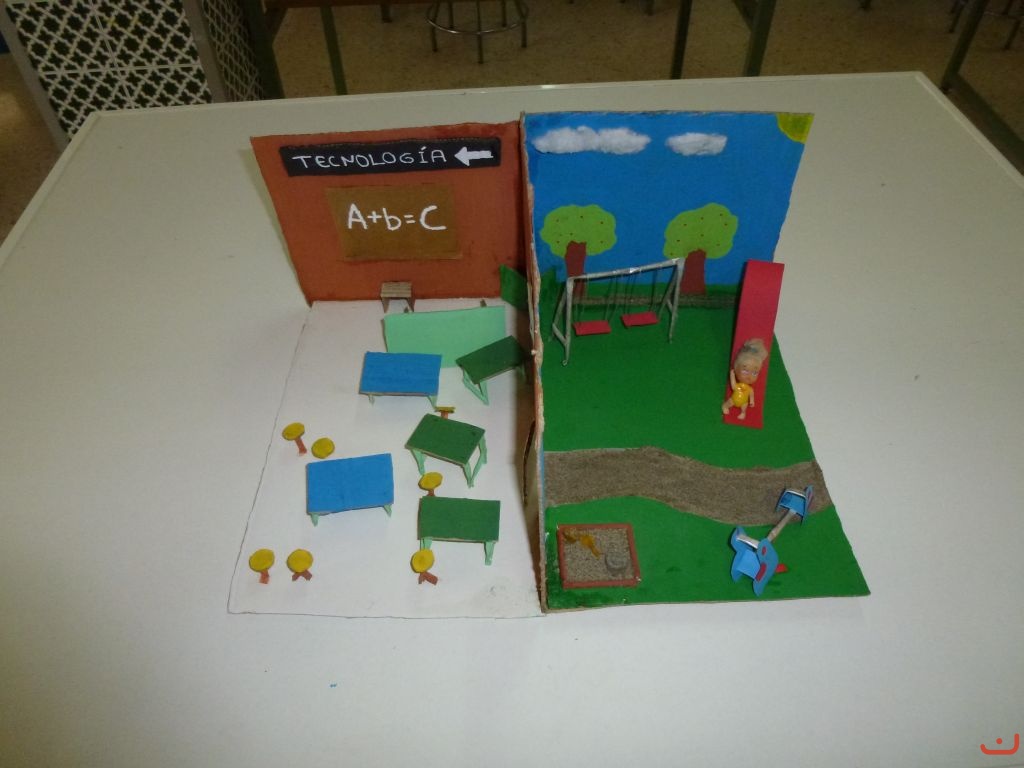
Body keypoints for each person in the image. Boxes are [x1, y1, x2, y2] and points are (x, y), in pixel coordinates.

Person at [722, 338, 768, 420]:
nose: (749, 376)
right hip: (734, 399)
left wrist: (752, 401)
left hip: (744, 401)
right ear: (736, 369)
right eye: (745, 371)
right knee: (730, 402)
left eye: (754, 373)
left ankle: (743, 413)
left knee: (744, 406)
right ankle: (725, 406)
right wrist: (732, 375)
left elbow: (751, 396)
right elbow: (733, 385)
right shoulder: (738, 386)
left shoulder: (750, 389)